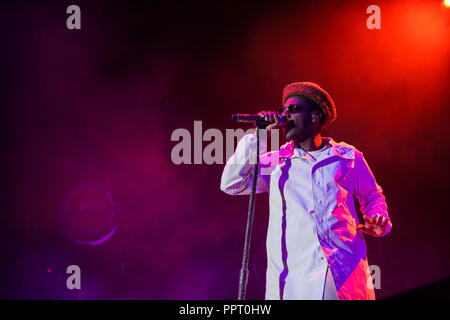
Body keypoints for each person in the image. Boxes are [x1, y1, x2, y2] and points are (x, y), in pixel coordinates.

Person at [220, 82, 392, 300]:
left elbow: (373, 196)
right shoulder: (277, 163)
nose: (284, 116)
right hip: (294, 282)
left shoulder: (348, 157)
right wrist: (259, 136)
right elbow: (231, 183)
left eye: (292, 109)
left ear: (315, 116)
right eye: (282, 110)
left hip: (341, 275)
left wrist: (379, 220)